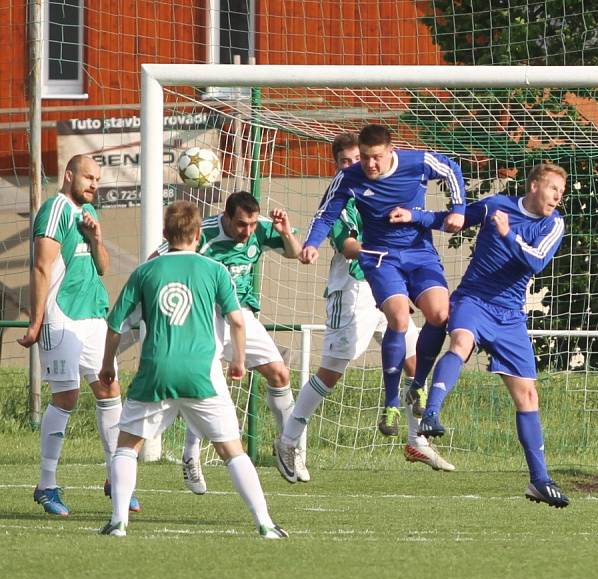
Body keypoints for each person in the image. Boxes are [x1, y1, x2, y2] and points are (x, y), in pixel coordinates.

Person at [97, 201, 287, 539]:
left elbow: (115, 325)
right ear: (198, 234)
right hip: (202, 373)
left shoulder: (144, 272)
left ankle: (119, 522)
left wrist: (107, 365)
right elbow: (237, 320)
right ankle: (266, 523)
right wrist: (240, 360)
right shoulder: (215, 270)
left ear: (164, 235)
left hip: (156, 372)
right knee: (232, 450)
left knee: (127, 446)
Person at [274, 133, 454, 482]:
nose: (355, 165)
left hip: (389, 283)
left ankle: (416, 439)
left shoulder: (387, 185)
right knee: (332, 371)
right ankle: (288, 440)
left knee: (414, 359)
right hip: (354, 288)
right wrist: (384, 254)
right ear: (338, 165)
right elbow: (347, 243)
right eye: (346, 161)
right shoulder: (343, 194)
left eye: (359, 159)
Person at [394, 163, 570, 508]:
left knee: (528, 398)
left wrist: (508, 235)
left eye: (561, 193)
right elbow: (453, 220)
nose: (557, 197)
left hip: (510, 316)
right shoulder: (495, 205)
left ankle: (539, 480)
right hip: (474, 299)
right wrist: (413, 216)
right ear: (534, 185)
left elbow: (535, 262)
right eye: (553, 190)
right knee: (460, 343)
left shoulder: (553, 224)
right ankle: (431, 413)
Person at [153, 191, 304, 491]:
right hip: (204, 317)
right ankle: (191, 456)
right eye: (240, 225)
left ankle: (287, 445)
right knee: (204, 387)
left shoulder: (260, 228)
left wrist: (285, 232)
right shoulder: (204, 234)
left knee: (279, 373)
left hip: (241, 315)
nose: (247, 231)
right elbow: (157, 259)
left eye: (251, 225)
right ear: (225, 216)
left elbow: (294, 253)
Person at [18, 154, 139, 516]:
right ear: (69, 175)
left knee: (109, 388)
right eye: (89, 177)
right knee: (66, 396)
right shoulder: (55, 210)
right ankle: (46, 483)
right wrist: (37, 321)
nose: (94, 185)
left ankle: (115, 477)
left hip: (93, 315)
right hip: (61, 316)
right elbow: (41, 266)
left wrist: (96, 236)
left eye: (98, 180)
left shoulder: (90, 215)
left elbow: (102, 267)